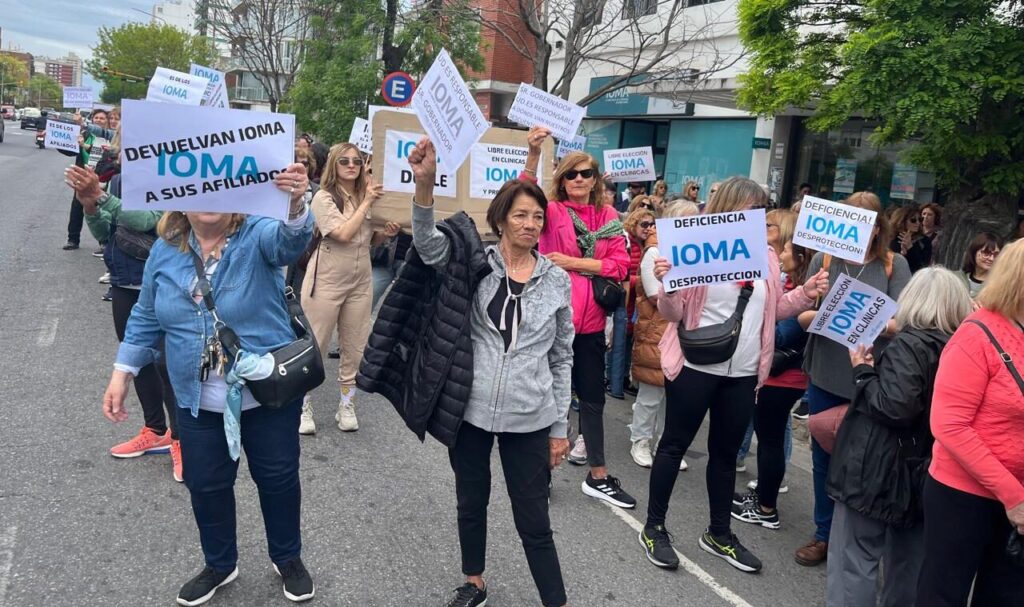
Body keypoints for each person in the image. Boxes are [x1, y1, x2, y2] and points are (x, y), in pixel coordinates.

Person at [101, 164, 317, 605]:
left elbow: (291, 242)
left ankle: (287, 556)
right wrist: (122, 371)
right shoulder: (165, 249)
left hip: (266, 395)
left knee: (277, 479)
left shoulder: (257, 233)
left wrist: (295, 204)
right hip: (196, 399)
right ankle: (220, 563)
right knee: (207, 485)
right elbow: (144, 314)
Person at [401, 137, 572, 607]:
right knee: (470, 502)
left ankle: (555, 600)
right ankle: (473, 582)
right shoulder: (477, 263)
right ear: (500, 219)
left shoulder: (557, 281)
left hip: (530, 417)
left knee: (533, 519)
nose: (530, 224)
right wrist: (423, 186)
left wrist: (559, 426)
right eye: (520, 214)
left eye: (538, 217)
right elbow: (428, 246)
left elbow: (562, 358)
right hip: (471, 411)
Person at [639, 177, 829, 573]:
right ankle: (654, 527)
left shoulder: (768, 257)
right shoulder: (699, 248)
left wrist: (807, 292)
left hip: (743, 373)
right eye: (751, 208)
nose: (759, 217)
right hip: (695, 365)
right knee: (674, 445)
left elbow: (772, 311)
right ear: (729, 207)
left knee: (725, 456)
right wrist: (668, 284)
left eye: (762, 210)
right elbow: (672, 314)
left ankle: (719, 533)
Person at [825, 268, 972, 607]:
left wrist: (863, 371)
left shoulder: (911, 344)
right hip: (927, 467)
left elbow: (895, 406)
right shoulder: (959, 347)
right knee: (907, 563)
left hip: (878, 465)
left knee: (854, 561)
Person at [523, 126, 637, 509]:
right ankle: (542, 473)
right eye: (571, 173)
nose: (579, 179)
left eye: (586, 173)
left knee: (592, 400)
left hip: (590, 326)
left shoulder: (610, 218)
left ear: (595, 179)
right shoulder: (552, 211)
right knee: (548, 401)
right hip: (551, 323)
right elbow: (518, 199)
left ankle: (598, 474)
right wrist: (534, 155)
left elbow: (621, 266)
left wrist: (574, 262)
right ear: (562, 179)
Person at [796, 191, 911, 567]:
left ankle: (861, 534)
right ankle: (824, 533)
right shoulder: (823, 258)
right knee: (822, 452)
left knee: (868, 458)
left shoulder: (895, 266)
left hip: (870, 379)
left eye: (864, 221)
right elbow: (802, 316)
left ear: (878, 227)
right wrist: (821, 304)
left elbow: (902, 324)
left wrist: (851, 311)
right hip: (826, 371)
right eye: (848, 219)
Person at [916, 240, 1024, 606]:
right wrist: (1012, 495)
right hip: (963, 493)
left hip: (1018, 497)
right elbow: (949, 425)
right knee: (943, 594)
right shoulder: (977, 333)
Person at [65, 151, 181, 480]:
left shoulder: (177, 181)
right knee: (137, 361)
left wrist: (101, 196)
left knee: (167, 364)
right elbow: (105, 233)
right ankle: (154, 429)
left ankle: (181, 439)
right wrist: (89, 205)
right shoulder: (119, 180)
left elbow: (153, 222)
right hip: (124, 281)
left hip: (160, 282)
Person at [298, 143, 399, 435]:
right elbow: (341, 233)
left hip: (360, 276)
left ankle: (347, 404)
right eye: (344, 161)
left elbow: (369, 239)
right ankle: (303, 404)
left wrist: (385, 234)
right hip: (328, 276)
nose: (352, 165)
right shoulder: (323, 197)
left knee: (354, 344)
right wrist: (367, 202)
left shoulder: (365, 196)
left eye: (357, 161)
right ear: (334, 164)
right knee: (315, 343)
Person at [732, 210, 805, 517]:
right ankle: (764, 497)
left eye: (786, 250)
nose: (782, 254)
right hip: (777, 376)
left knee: (771, 439)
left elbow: (780, 332)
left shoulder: (803, 289)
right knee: (769, 436)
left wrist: (760, 319)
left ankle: (766, 507)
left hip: (784, 375)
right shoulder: (790, 284)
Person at [629, 200, 699, 469]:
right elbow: (652, 293)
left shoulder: (694, 252)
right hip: (657, 332)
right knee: (650, 393)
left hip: (683, 335)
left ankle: (664, 443)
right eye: (688, 220)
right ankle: (641, 440)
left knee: (674, 397)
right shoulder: (654, 252)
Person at [60, 123, 97, 251]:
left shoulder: (110, 136)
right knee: (77, 207)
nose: (99, 120)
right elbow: (70, 150)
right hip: (83, 177)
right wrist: (56, 142)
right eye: (96, 118)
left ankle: (105, 243)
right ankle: (73, 239)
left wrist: (84, 145)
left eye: (102, 118)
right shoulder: (85, 134)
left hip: (103, 177)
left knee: (104, 211)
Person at [959, 232, 1003, 298]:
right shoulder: (957, 278)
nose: (991, 258)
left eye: (996, 255)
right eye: (986, 253)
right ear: (974, 252)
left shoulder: (999, 286)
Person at [889, 205, 931, 273]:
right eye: (913, 220)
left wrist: (910, 248)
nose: (918, 223)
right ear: (902, 221)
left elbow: (923, 266)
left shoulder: (924, 240)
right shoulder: (892, 238)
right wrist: (902, 254)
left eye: (920, 219)